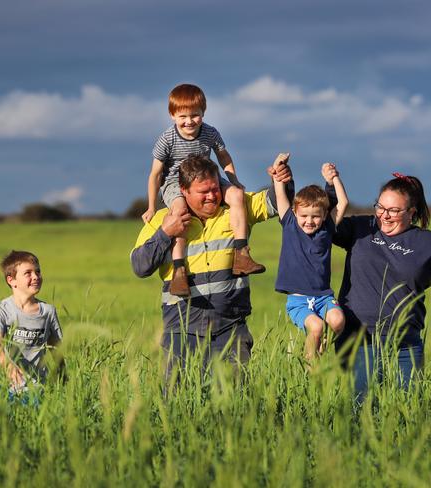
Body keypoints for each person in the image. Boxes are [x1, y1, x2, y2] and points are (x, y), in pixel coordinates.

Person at [323, 170, 431, 395]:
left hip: (405, 346)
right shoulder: (361, 228)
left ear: (411, 212)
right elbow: (325, 225)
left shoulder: (428, 243)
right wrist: (330, 187)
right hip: (358, 341)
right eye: (380, 207)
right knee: (363, 410)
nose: (384, 215)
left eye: (394, 210)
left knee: (408, 410)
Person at [131, 154, 292, 380]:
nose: (211, 196)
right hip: (181, 332)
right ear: (183, 190)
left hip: (231, 330)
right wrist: (165, 233)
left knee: (234, 406)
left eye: (215, 189)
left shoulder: (236, 208)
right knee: (179, 405)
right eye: (203, 192)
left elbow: (275, 203)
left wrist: (283, 179)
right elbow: (140, 266)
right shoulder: (161, 220)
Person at [142, 83, 265, 298]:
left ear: (203, 113)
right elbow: (155, 175)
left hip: (208, 177)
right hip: (175, 183)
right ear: (172, 115)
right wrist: (151, 206)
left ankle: (241, 254)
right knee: (180, 211)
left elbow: (223, 156)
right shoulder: (167, 139)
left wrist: (234, 180)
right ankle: (179, 270)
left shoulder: (209, 132)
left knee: (236, 195)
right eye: (183, 116)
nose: (189, 121)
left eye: (195, 115)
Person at [273, 157, 349, 361]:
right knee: (316, 326)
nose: (309, 221)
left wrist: (334, 179)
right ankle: (309, 369)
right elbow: (280, 191)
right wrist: (278, 166)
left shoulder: (327, 229)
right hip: (298, 300)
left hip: (323, 297)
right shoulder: (289, 223)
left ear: (324, 215)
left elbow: (343, 202)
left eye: (315, 216)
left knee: (338, 320)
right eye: (304, 215)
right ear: (295, 212)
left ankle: (320, 352)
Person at [0, 250, 64, 397]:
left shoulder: (48, 311)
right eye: (28, 273)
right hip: (4, 387)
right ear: (11, 280)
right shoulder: (1, 309)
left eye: (38, 272)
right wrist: (9, 367)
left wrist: (64, 378)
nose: (35, 277)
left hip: (38, 389)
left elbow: (56, 350)